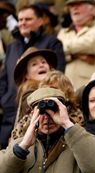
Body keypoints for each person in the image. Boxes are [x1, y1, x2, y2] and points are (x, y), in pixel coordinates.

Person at [0, 4, 65, 149]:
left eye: (28, 19)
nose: (22, 23)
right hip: (10, 113)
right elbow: (3, 78)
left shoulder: (52, 42)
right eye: (20, 19)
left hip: (41, 113)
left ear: (40, 21)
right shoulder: (12, 46)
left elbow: (58, 74)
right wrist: (4, 100)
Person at [11, 71, 84, 141]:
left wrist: (67, 123)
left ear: (67, 92)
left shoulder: (76, 117)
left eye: (53, 89)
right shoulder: (31, 116)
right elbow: (15, 142)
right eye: (45, 89)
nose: (48, 92)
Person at [57, 0, 95, 89]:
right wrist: (76, 55)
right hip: (66, 87)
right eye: (71, 6)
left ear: (92, 9)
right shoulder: (63, 32)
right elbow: (56, 53)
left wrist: (66, 51)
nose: (74, 8)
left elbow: (92, 44)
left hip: (92, 86)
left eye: (79, 5)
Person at [14, 47, 57, 123]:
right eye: (34, 64)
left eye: (43, 62)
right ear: (26, 75)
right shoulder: (27, 94)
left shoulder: (62, 86)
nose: (41, 65)